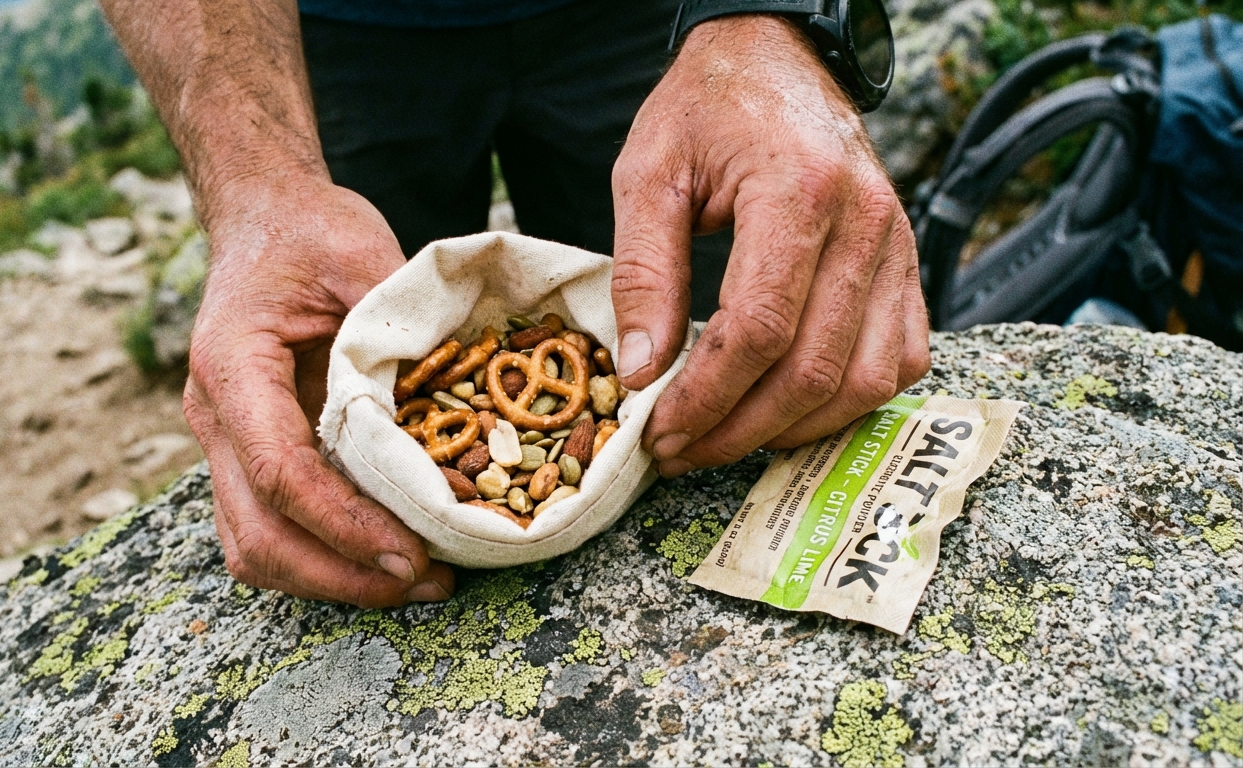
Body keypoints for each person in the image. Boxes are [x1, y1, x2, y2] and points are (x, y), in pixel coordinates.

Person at [99, 0, 930, 608]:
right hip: (327, 40)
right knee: (339, 385)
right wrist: (256, 183)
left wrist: (766, 16)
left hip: (652, 19)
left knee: (738, 351)